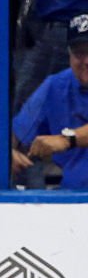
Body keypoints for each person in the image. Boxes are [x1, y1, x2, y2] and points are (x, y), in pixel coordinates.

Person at [12, 13, 88, 188]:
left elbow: (65, 140)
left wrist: (66, 139)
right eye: (79, 53)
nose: (86, 61)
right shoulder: (55, 86)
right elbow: (14, 135)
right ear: (68, 54)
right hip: (71, 200)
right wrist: (4, 152)